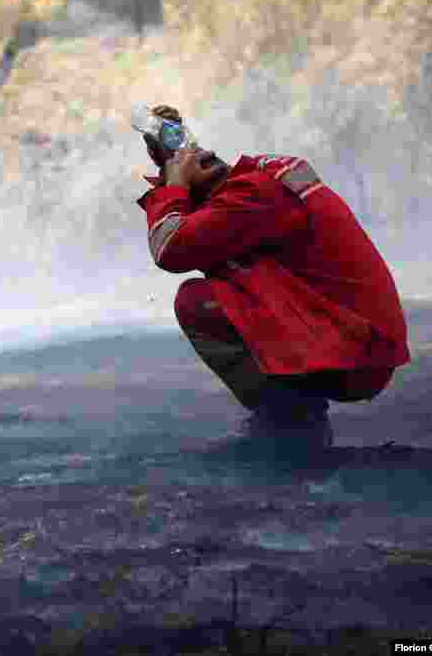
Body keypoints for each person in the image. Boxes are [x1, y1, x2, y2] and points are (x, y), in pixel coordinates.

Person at [133, 105, 410, 448]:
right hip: (362, 341)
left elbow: (170, 247)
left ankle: (292, 423)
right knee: (227, 271)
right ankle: (295, 412)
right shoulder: (262, 179)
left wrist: (174, 184)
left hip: (356, 360)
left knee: (198, 301)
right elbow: (204, 224)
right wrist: (169, 165)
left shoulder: (253, 197)